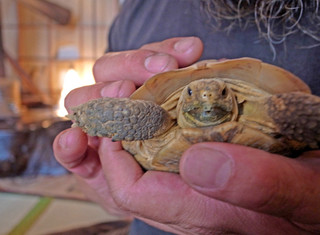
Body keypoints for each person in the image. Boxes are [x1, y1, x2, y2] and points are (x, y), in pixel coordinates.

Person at [53, 0, 320, 234]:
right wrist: (99, 180)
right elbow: (106, 168)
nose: (207, 98)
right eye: (193, 93)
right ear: (182, 99)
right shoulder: (138, 10)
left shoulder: (267, 107)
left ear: (233, 96)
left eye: (221, 93)